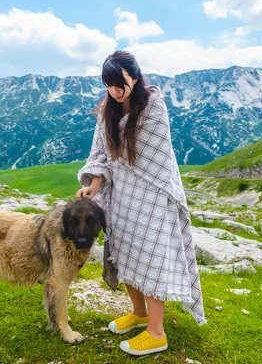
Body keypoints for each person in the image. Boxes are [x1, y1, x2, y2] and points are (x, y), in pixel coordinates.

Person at [76, 50, 206, 356]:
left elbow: (156, 159)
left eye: (119, 83)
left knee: (150, 259)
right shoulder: (108, 109)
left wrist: (126, 178)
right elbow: (101, 153)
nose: (114, 90)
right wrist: (94, 184)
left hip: (154, 195)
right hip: (122, 196)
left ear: (135, 76)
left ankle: (157, 332)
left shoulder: (153, 106)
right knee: (124, 254)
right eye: (108, 84)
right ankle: (139, 313)